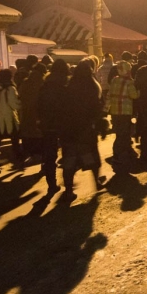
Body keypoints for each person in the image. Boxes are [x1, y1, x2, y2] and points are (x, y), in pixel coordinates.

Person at [60, 61, 104, 199]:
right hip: (86, 129)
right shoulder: (92, 87)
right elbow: (97, 108)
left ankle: (68, 190)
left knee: (69, 161)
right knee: (91, 156)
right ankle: (96, 182)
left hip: (69, 130)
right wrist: (99, 126)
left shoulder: (68, 87)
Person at [37, 59, 69, 194]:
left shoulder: (45, 86)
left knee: (49, 155)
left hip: (47, 124)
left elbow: (38, 106)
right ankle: (68, 185)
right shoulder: (64, 87)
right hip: (62, 124)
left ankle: (52, 184)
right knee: (67, 154)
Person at [0, 69, 21, 175]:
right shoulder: (10, 88)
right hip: (8, 118)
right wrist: (21, 103)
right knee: (15, 140)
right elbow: (14, 104)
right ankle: (18, 163)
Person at [107, 60, 139, 165]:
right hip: (125, 112)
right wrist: (139, 91)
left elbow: (109, 95)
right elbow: (134, 95)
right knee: (123, 134)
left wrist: (105, 109)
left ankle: (121, 153)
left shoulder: (114, 80)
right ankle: (118, 155)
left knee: (119, 133)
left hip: (115, 112)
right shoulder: (129, 82)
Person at [18, 63, 47, 165]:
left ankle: (32, 154)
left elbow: (20, 96)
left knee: (28, 133)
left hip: (26, 112)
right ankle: (40, 155)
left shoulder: (26, 82)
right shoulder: (43, 83)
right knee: (39, 135)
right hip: (38, 112)